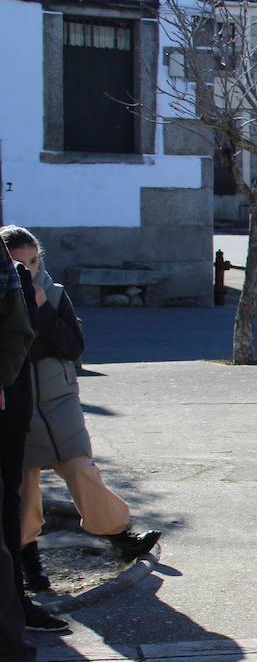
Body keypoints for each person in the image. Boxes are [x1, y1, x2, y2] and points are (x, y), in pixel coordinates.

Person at [0, 228, 161, 599]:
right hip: (18, 404)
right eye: (18, 264)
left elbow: (73, 345)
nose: (28, 269)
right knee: (24, 490)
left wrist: (40, 308)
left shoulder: (53, 294)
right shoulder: (4, 295)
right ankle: (30, 567)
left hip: (58, 399)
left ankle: (120, 536)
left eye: (34, 261)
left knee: (80, 468)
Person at [0, 236, 53, 662]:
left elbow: (21, 330)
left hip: (7, 410)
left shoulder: (12, 276)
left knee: (4, 526)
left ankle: (13, 656)